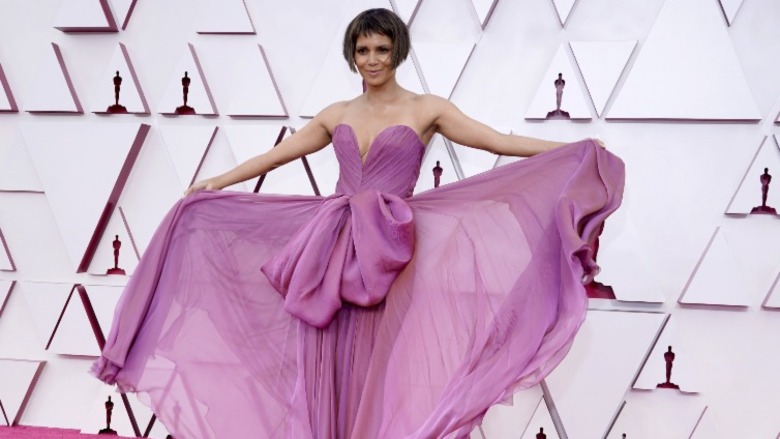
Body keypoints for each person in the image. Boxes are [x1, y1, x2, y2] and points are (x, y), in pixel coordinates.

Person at [92, 8, 624, 439]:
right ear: (352, 55)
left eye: (382, 50)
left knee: (376, 364)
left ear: (398, 53)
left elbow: (496, 141)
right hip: (330, 249)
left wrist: (570, 148)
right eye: (363, 50)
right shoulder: (336, 112)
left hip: (389, 253)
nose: (372, 60)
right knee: (323, 353)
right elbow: (276, 156)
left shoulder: (426, 108)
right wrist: (216, 182)